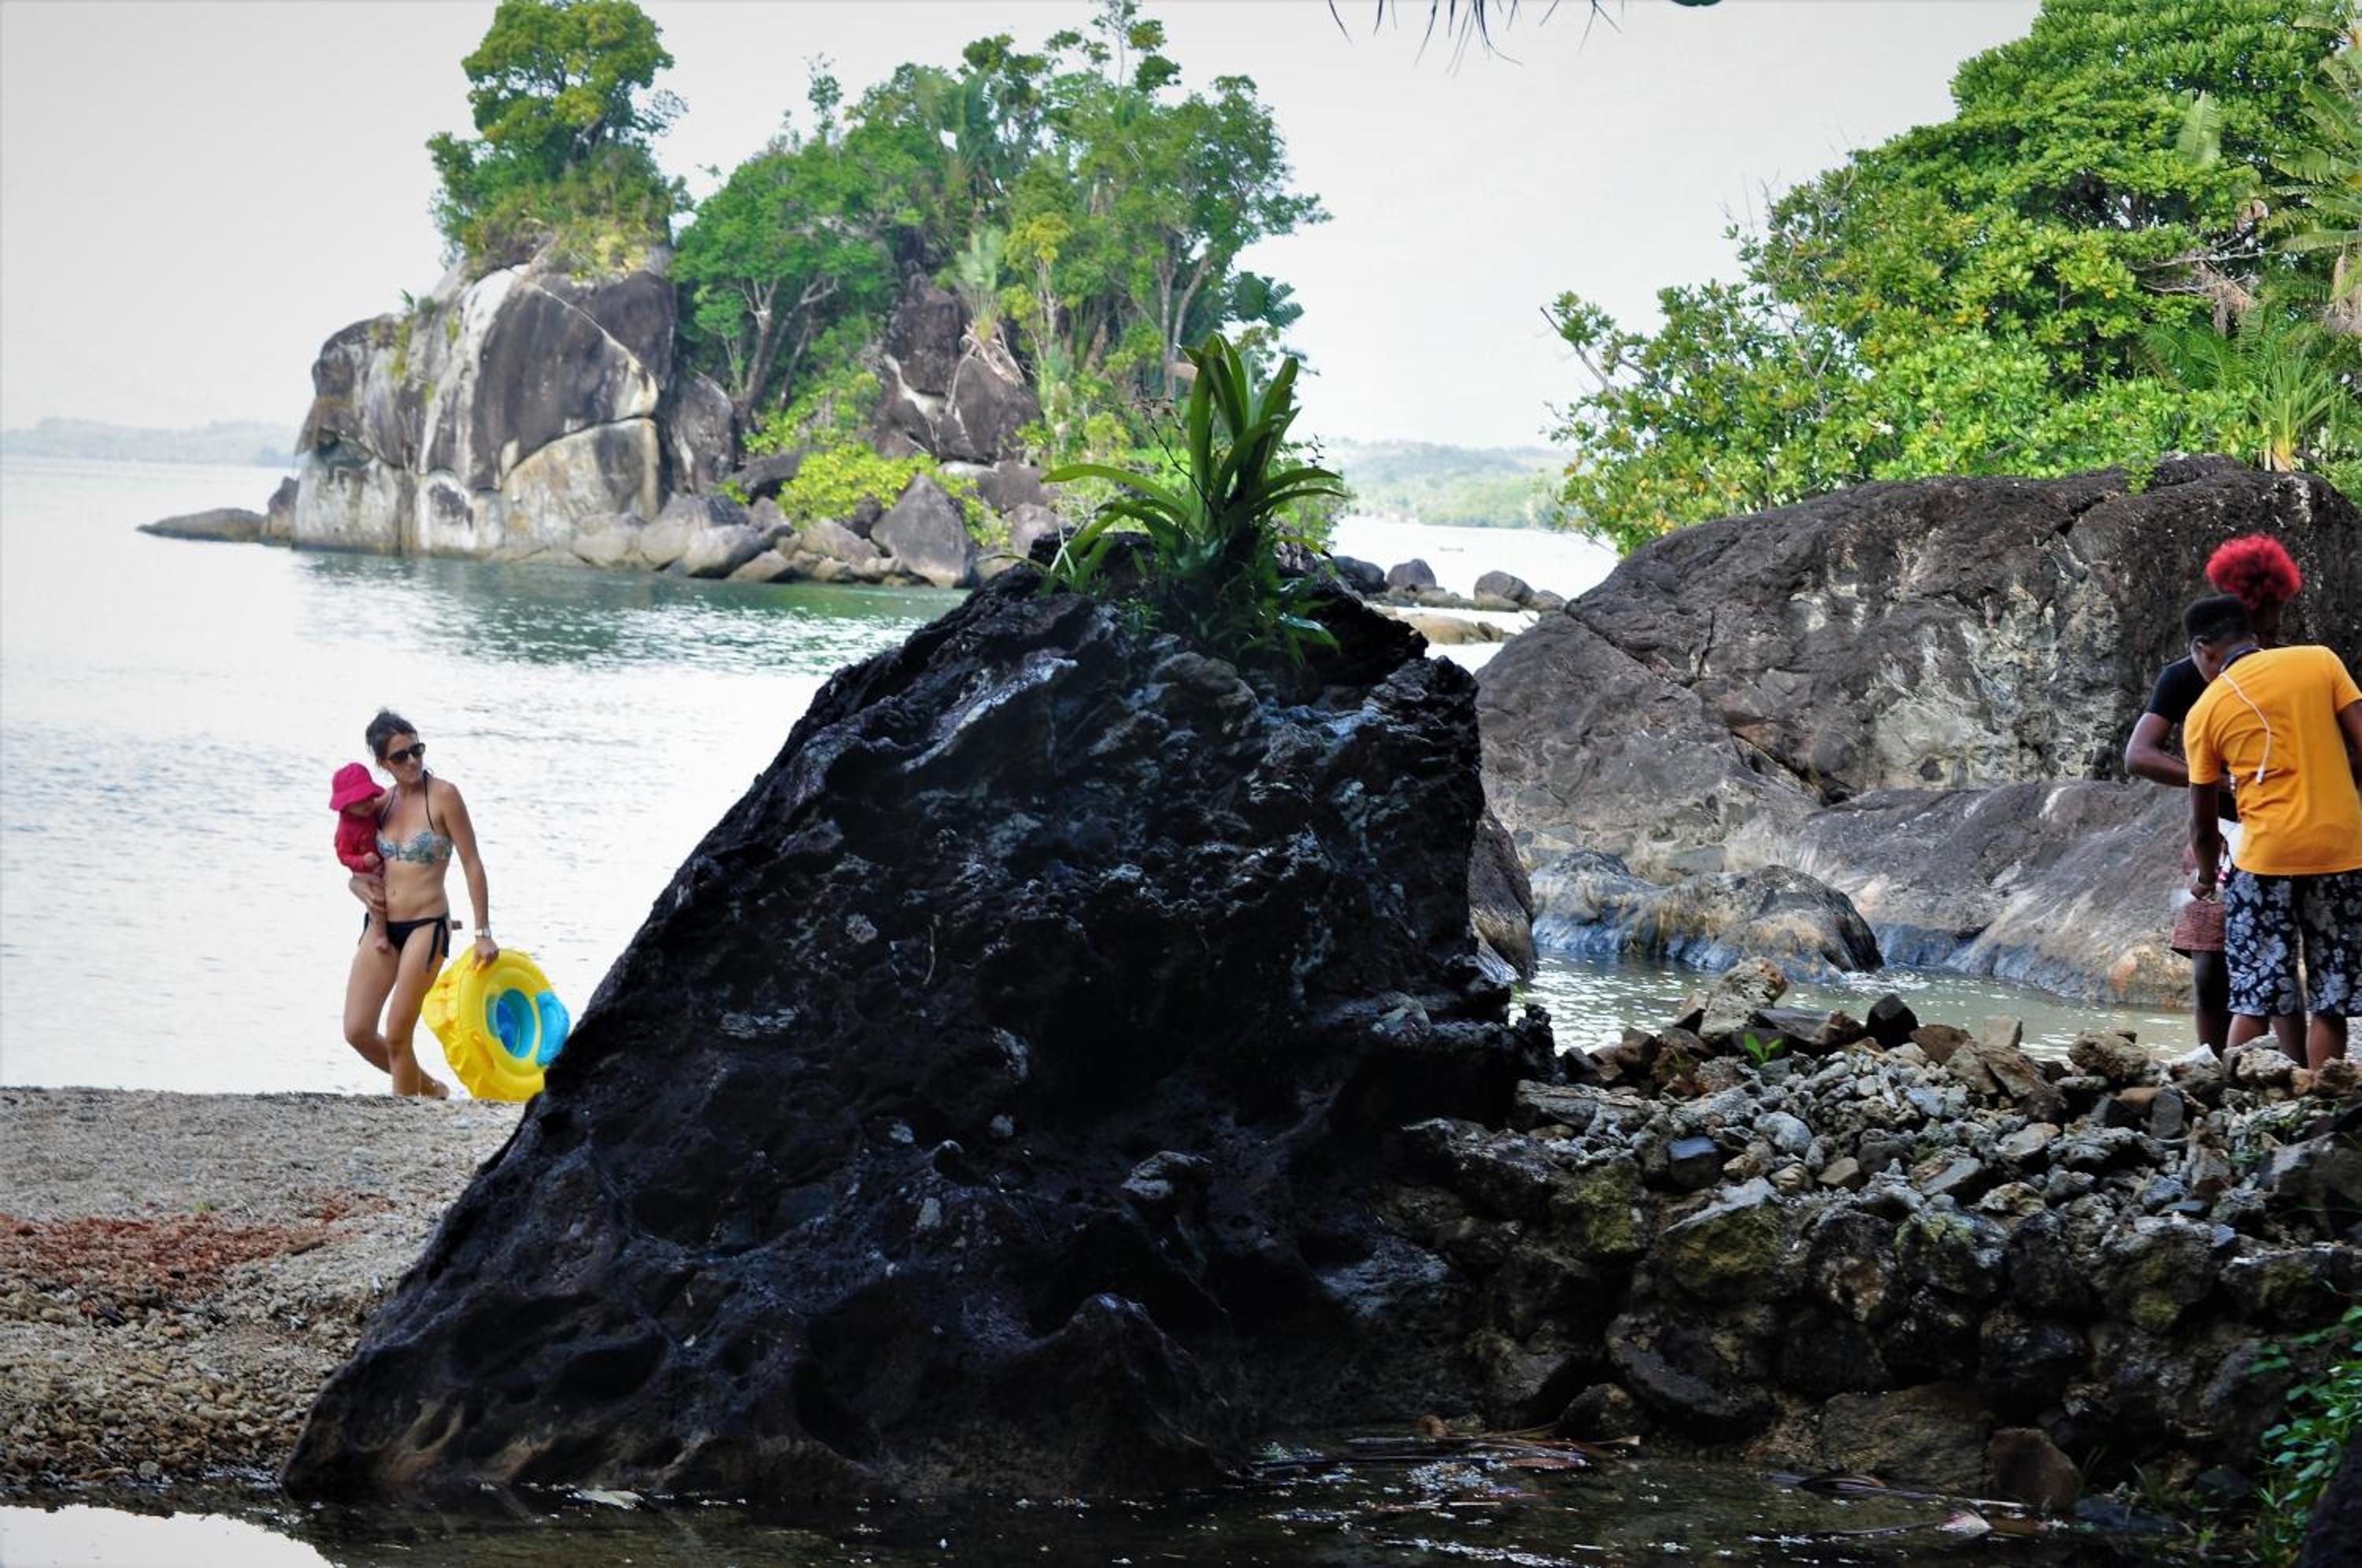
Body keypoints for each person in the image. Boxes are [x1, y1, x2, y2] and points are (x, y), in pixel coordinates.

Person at [2125, 534, 2307, 1055]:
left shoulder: (2290, 668)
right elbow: (2139, 754)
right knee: (2209, 963)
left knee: (2273, 960)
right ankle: (2212, 1065)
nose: (2270, 632)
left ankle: (2288, 1068)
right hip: (2220, 828)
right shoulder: (2185, 677)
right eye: (2263, 622)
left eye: (2273, 622)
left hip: (2281, 828)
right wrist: (2215, 781)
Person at [2184, 595, 2362, 1071]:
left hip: (2265, 860)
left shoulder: (2206, 709)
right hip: (2342, 850)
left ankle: (2240, 1098)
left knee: (2255, 995)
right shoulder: (2319, 661)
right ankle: (2321, 1094)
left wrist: (2206, 876)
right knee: (2331, 997)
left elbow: (2203, 823)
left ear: (2203, 649)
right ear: (2250, 632)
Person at [342, 709, 498, 1096]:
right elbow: (354, 860)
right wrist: (354, 884)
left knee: (398, 1033)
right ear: (383, 763)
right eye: (401, 756)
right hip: (382, 925)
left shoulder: (444, 796)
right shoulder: (379, 805)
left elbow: (472, 863)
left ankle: (403, 1115)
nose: (412, 761)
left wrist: (483, 933)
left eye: (417, 750)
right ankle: (431, 1090)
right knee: (357, 1030)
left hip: (427, 926)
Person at [331, 762, 393, 953]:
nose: (368, 804)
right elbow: (343, 856)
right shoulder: (345, 829)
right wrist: (362, 862)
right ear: (347, 805)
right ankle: (381, 935)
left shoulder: (371, 812)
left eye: (370, 798)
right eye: (361, 801)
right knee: (377, 899)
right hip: (365, 873)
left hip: (382, 864)